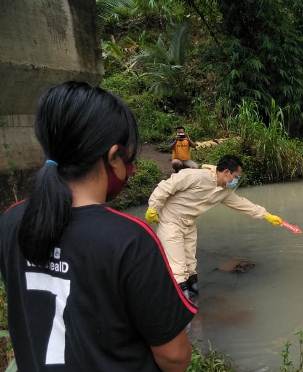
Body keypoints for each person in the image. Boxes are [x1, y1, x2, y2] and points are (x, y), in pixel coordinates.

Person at [0, 82, 196, 371]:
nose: (132, 169)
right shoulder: (129, 239)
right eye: (130, 159)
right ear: (113, 156)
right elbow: (174, 356)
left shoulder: (12, 220)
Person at [144, 155, 286, 298]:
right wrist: (153, 207)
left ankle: (193, 297)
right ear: (226, 172)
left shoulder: (223, 191)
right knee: (178, 267)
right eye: (235, 176)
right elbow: (166, 186)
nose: (236, 180)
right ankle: (183, 305)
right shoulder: (197, 176)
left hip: (189, 223)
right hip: (171, 221)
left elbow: (243, 204)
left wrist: (266, 215)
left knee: (190, 264)